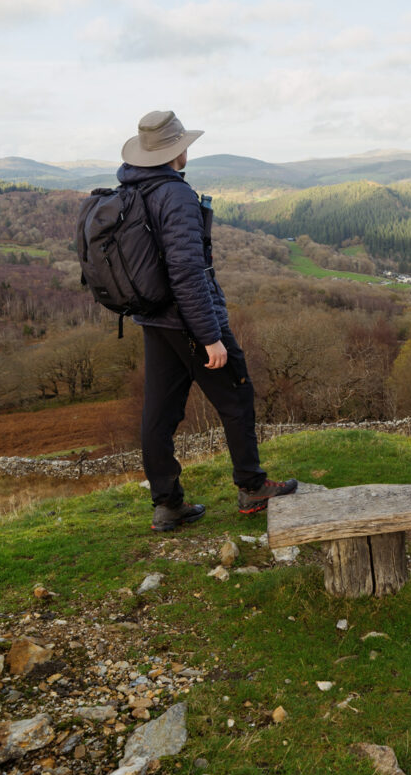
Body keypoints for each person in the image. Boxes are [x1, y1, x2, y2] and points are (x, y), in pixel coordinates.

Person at [118, 110, 297, 532]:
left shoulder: (129, 189)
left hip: (155, 320)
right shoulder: (174, 195)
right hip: (188, 320)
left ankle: (167, 505)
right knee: (236, 397)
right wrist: (210, 336)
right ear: (174, 150)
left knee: (158, 415)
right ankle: (252, 487)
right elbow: (186, 272)